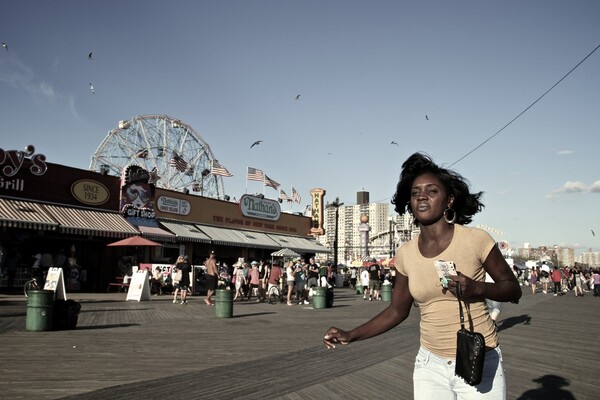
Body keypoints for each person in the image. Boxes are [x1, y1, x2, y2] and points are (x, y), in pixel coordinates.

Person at [323, 152, 522, 399]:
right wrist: (350, 334)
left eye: (431, 191)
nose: (422, 197)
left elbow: (513, 289)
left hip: (478, 356)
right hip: (430, 365)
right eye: (415, 193)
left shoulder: (475, 239)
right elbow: (397, 310)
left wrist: (478, 289)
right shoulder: (405, 253)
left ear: (449, 200)